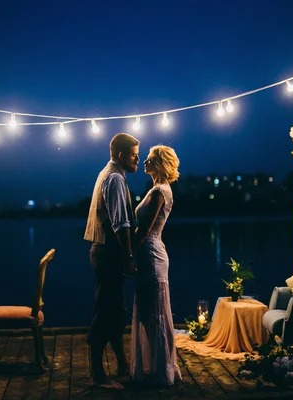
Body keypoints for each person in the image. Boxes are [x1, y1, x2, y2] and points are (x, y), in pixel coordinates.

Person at [84, 132, 140, 389]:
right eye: (133, 154)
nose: (137, 159)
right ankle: (97, 374)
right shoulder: (115, 179)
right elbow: (120, 224)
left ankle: (121, 364)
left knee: (114, 310)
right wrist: (129, 257)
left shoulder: (106, 173)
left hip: (103, 251)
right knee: (106, 311)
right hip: (109, 253)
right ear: (121, 156)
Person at [130, 145, 182, 386]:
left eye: (150, 159)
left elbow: (145, 230)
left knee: (154, 314)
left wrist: (128, 253)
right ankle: (160, 365)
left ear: (160, 164)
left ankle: (162, 371)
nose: (144, 162)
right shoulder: (157, 189)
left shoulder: (160, 191)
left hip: (151, 255)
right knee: (150, 313)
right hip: (150, 252)